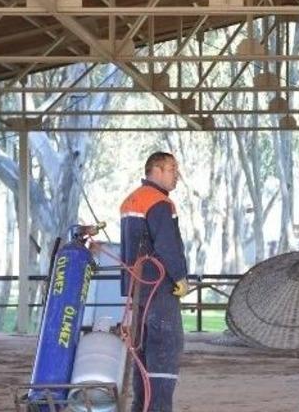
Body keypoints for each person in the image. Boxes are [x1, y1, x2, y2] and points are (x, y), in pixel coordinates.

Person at [120, 152, 188, 412]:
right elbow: (167, 245)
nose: (177, 176)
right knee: (164, 352)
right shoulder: (158, 202)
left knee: (141, 355)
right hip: (159, 290)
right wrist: (180, 277)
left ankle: (140, 407)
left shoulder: (131, 201)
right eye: (172, 169)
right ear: (156, 170)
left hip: (137, 292)